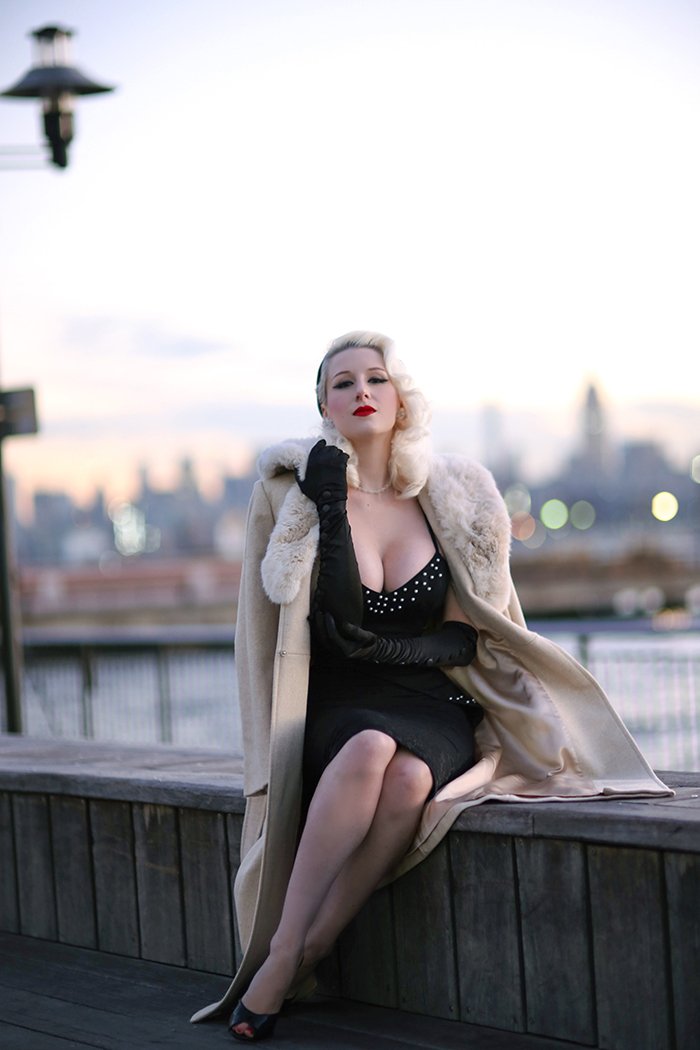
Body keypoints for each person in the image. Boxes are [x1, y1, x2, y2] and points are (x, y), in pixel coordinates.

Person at [191, 332, 671, 1042]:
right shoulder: (297, 495)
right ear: (324, 405)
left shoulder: (450, 495)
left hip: (432, 696)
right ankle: (284, 949)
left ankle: (312, 947)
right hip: (342, 700)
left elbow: (464, 637)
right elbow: (336, 626)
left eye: (376, 378)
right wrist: (331, 503)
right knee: (368, 752)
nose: (361, 391)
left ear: (401, 398)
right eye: (343, 382)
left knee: (412, 778)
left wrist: (393, 648)